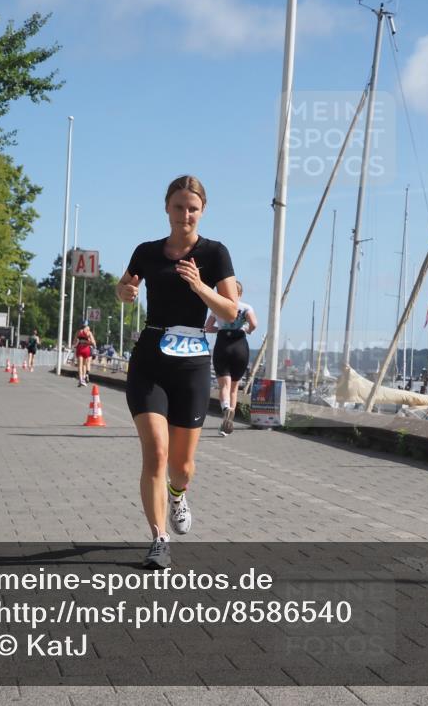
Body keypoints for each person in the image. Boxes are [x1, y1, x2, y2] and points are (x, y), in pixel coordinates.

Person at [115, 175, 238, 570]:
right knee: (156, 452)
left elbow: (231, 312)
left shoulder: (216, 253)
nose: (185, 214)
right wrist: (126, 291)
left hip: (191, 362)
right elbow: (125, 285)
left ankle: (178, 494)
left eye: (192, 208)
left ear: (202, 212)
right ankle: (158, 538)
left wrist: (200, 287)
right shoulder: (147, 251)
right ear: (166, 208)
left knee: (181, 466)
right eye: (178, 206)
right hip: (150, 357)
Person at [204, 281, 258, 436]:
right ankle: (228, 425)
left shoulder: (217, 307)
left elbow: (207, 328)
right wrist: (247, 330)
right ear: (240, 293)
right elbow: (254, 324)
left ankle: (226, 408)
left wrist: (220, 328)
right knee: (234, 388)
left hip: (223, 345)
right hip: (240, 346)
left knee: (224, 387)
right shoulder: (246, 307)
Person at [73, 322, 96, 386]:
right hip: (86, 349)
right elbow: (93, 342)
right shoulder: (89, 332)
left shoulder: (78, 332)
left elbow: (74, 342)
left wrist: (76, 344)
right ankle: (84, 377)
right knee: (84, 365)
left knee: (79, 365)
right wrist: (90, 343)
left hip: (80, 349)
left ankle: (81, 379)